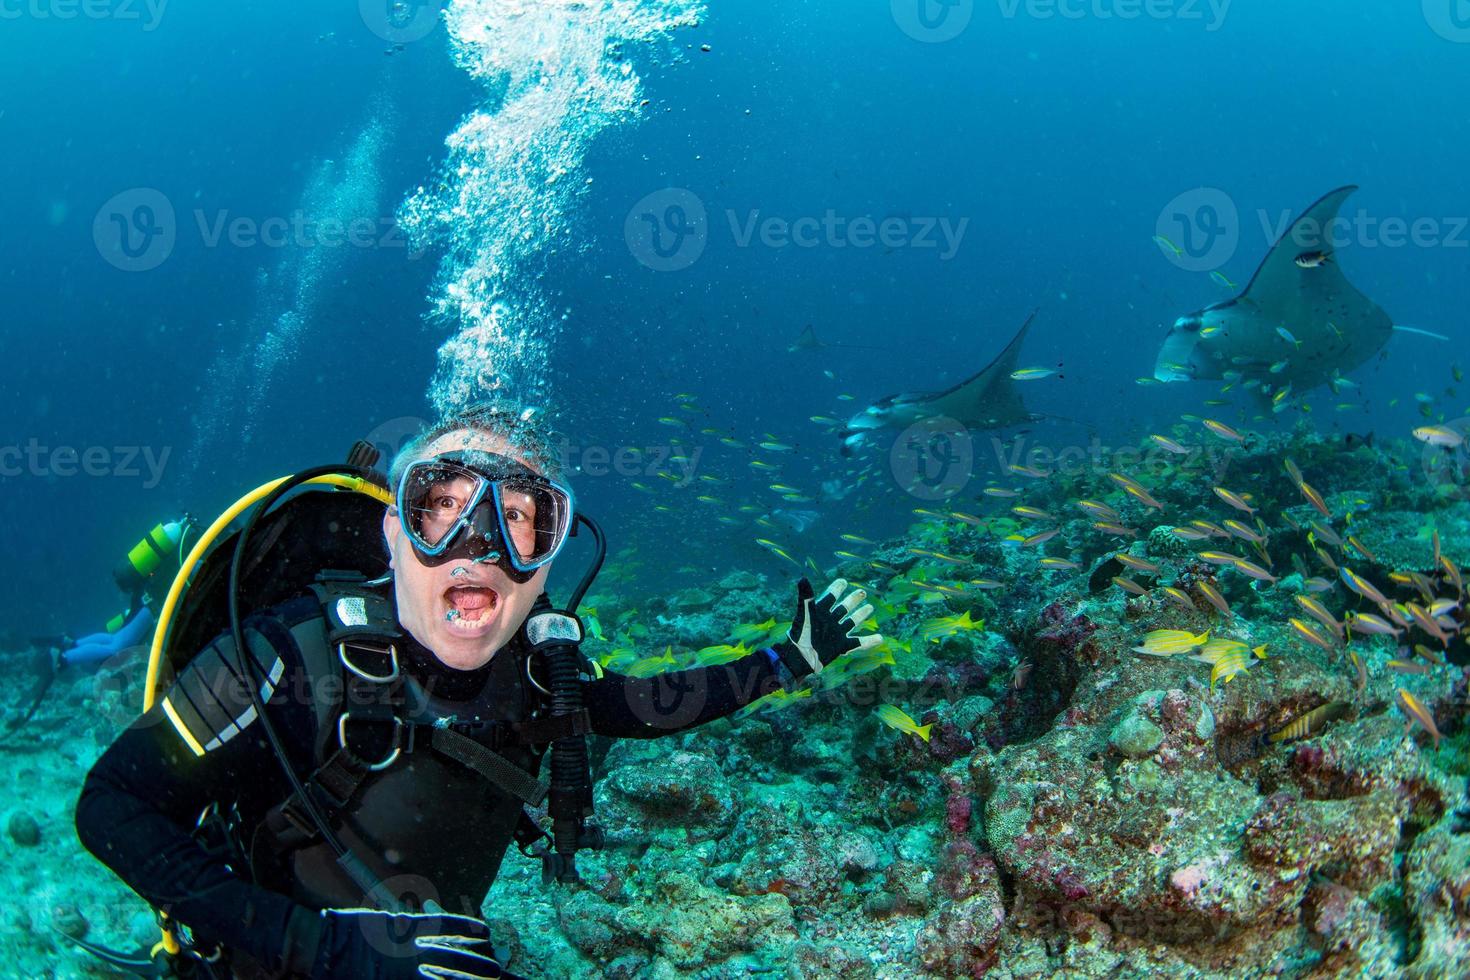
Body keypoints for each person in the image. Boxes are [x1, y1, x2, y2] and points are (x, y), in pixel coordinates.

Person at [75, 405, 884, 979]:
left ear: (546, 564)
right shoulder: (289, 657)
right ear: (395, 535)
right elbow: (111, 804)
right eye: (442, 509)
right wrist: (314, 949)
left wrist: (792, 659)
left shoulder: (542, 676)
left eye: (522, 518)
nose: (480, 545)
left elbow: (652, 705)